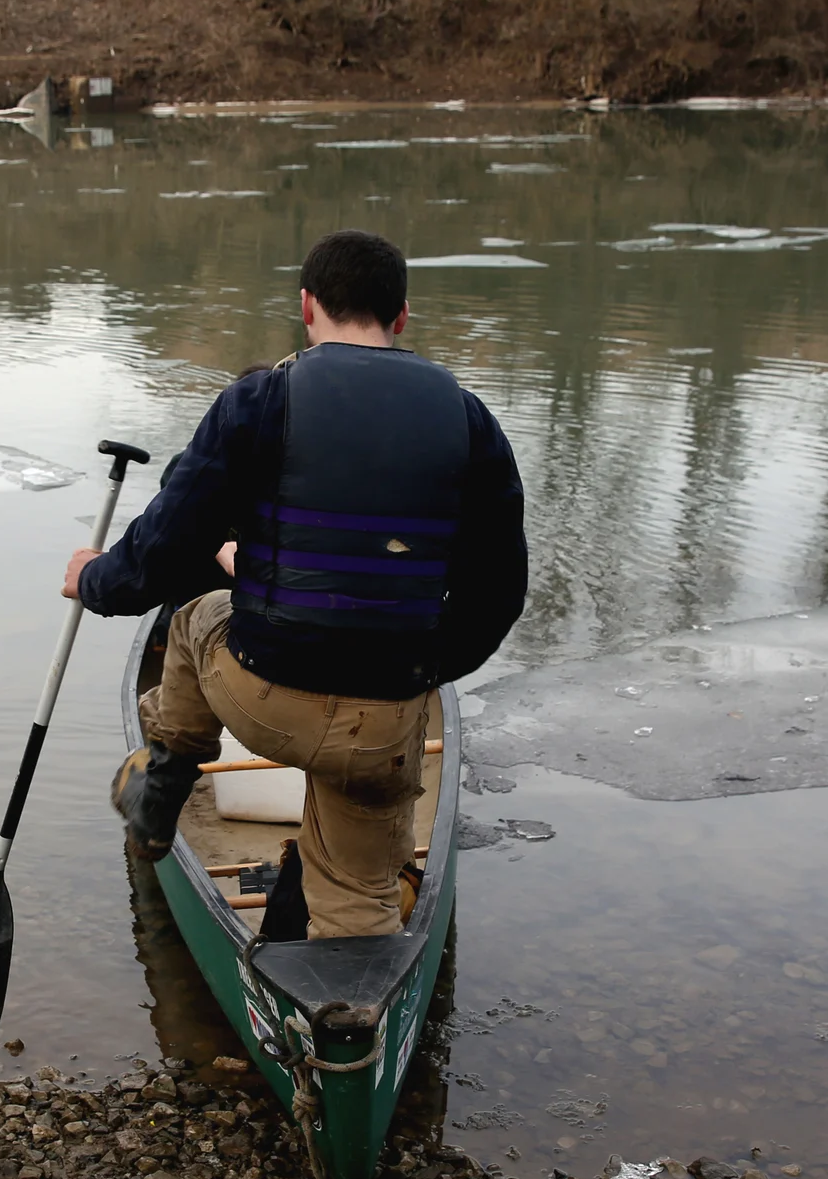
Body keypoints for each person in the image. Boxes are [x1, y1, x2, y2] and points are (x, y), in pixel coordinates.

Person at [64, 229, 528, 939]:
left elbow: (163, 549)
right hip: (385, 721)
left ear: (307, 307)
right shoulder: (470, 422)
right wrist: (423, 674)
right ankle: (344, 1027)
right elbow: (498, 596)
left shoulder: (258, 401)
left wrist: (94, 580)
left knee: (192, 617)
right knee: (361, 891)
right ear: (401, 316)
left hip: (263, 696)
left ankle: (165, 784)